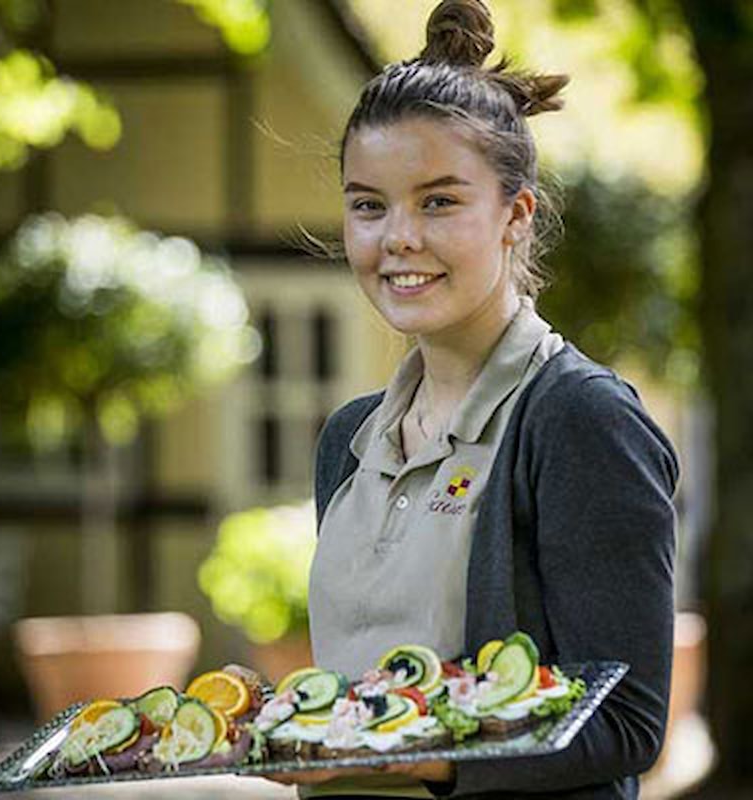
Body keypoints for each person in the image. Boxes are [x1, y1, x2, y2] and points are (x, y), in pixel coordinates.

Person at [268, 1, 679, 797]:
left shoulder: (579, 421)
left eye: (440, 201)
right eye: (368, 204)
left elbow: (629, 721)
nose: (398, 239)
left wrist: (435, 762)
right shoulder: (349, 440)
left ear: (515, 218)